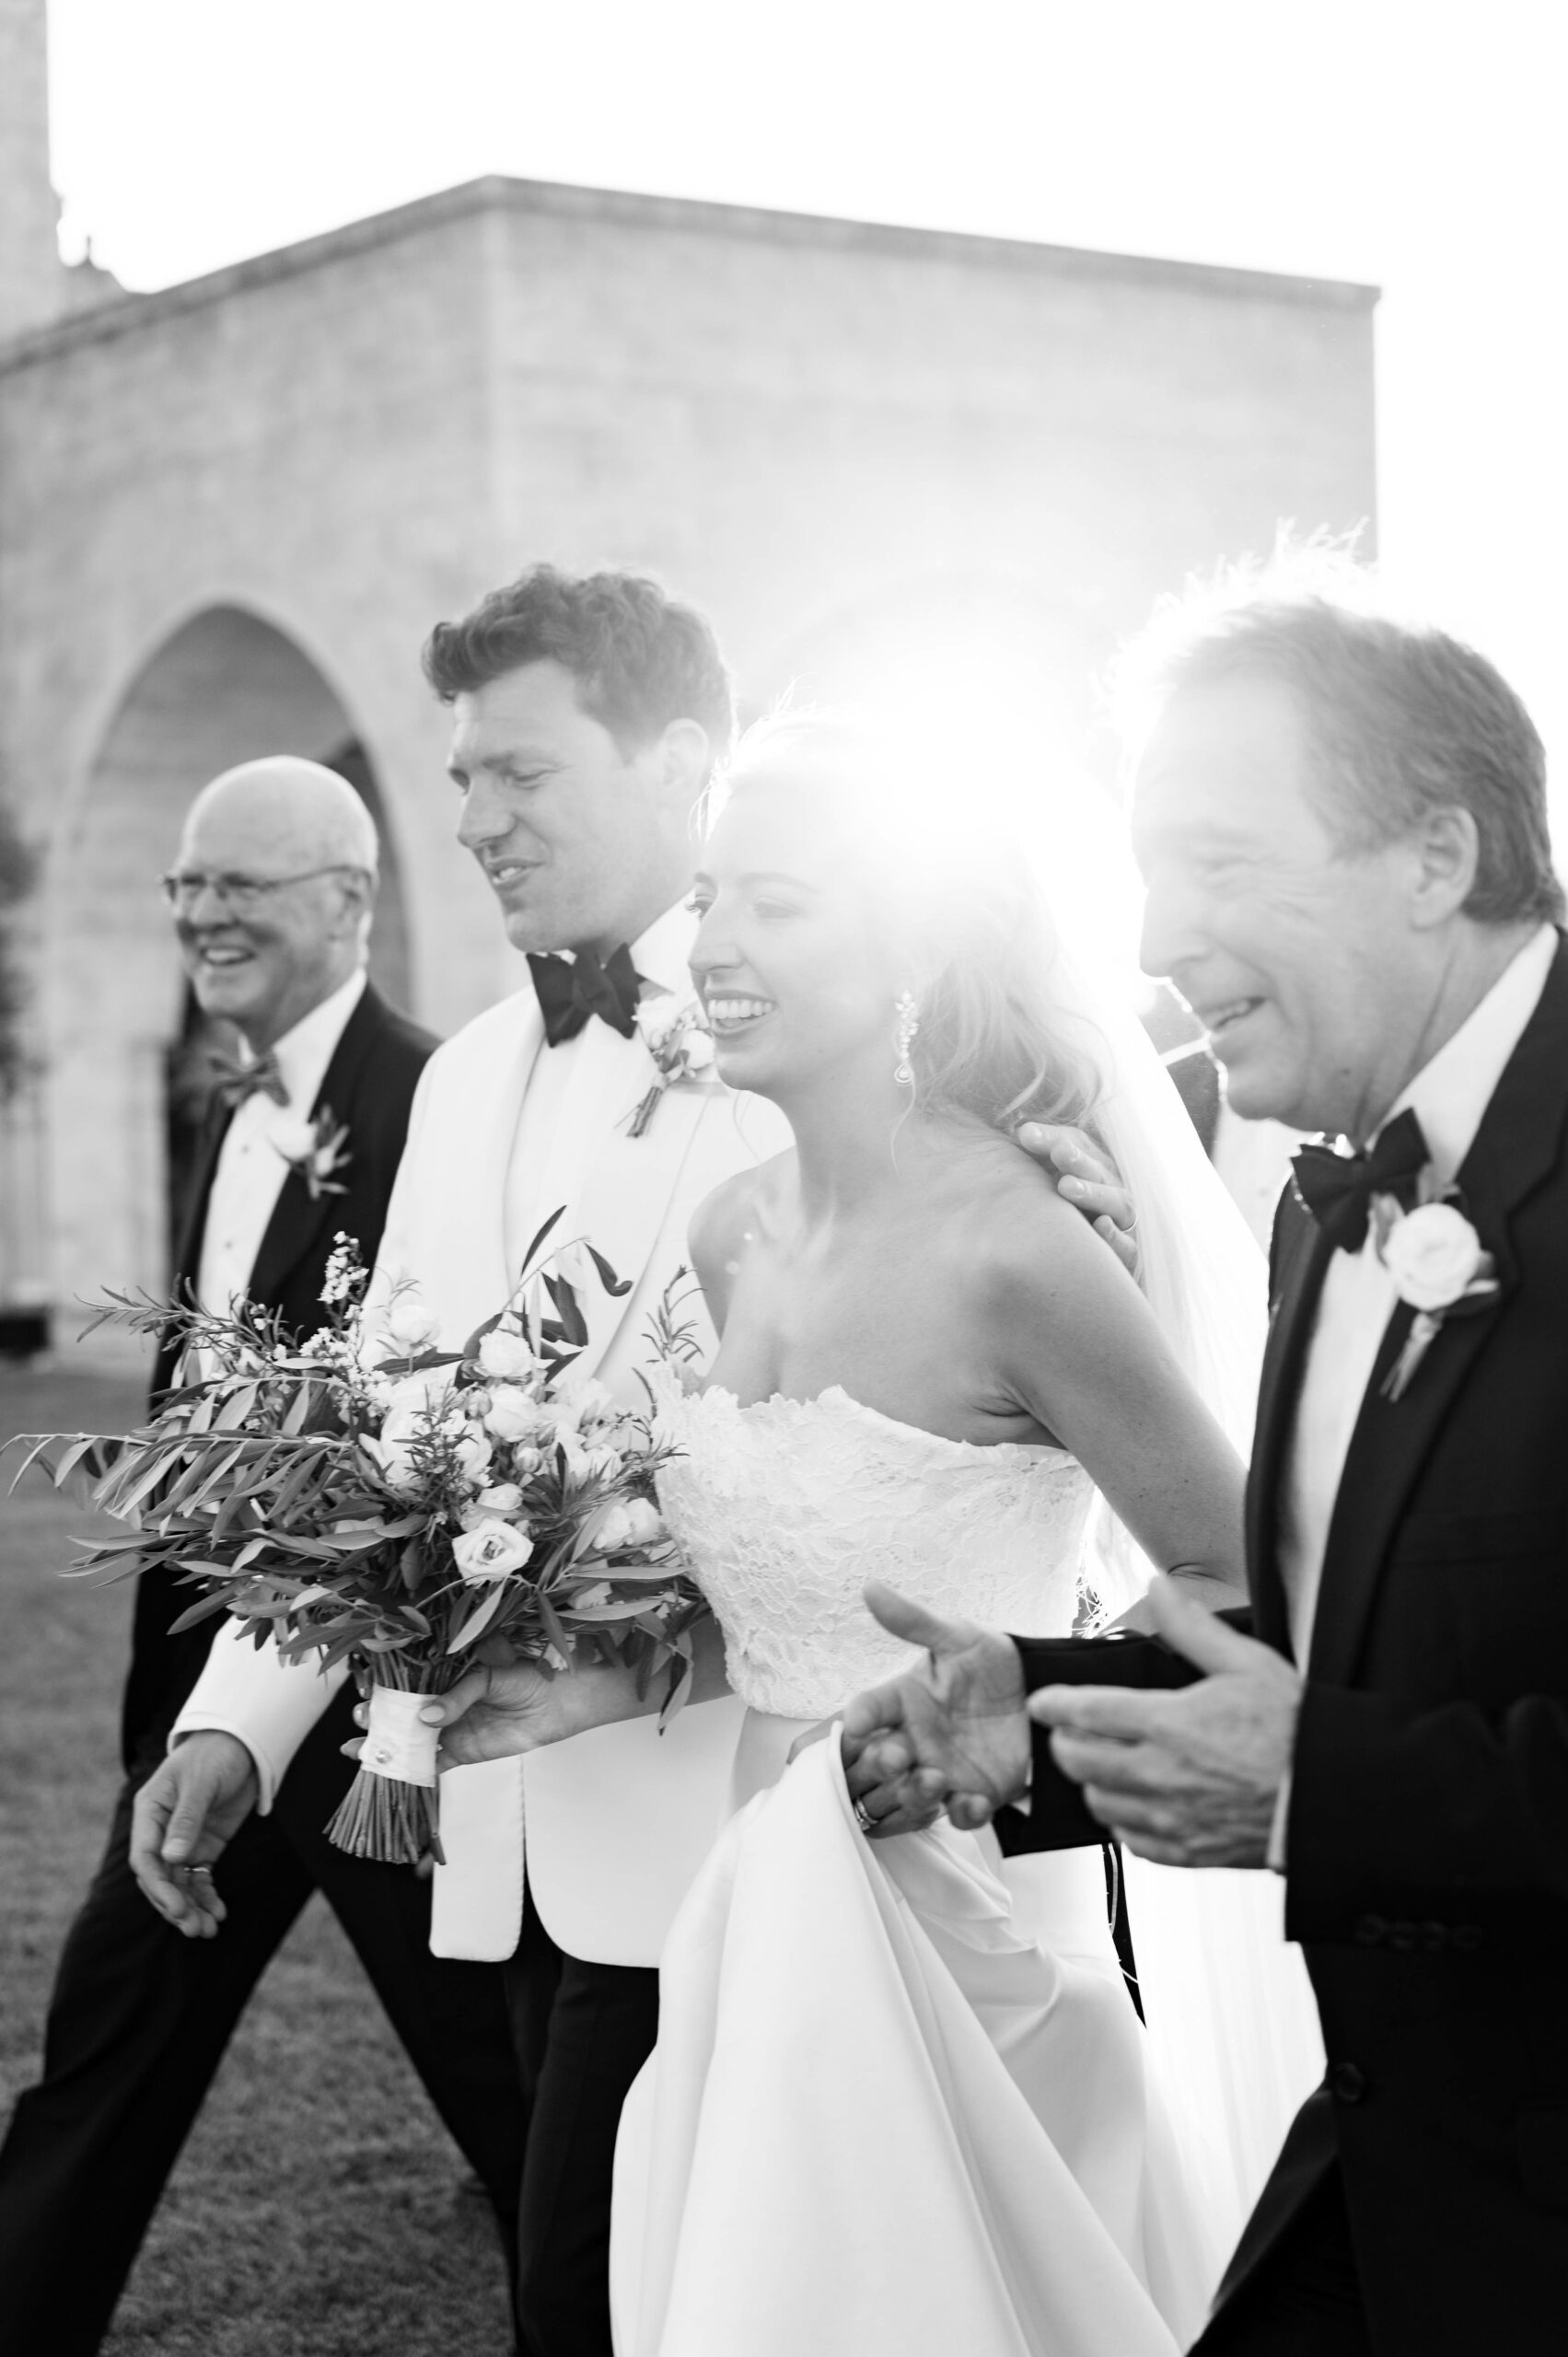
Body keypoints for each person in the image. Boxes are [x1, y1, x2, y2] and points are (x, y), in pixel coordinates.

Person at [427, 713, 1325, 2357]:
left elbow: (1232, 1583)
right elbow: (778, 1582)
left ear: (909, 940)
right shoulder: (730, 1231)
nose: (720, 946)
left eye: (782, 901)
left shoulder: (1015, 1246)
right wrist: (599, 1689)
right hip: (753, 1929)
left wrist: (1006, 1712)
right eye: (713, 898)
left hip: (968, 1944)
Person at [842, 564, 1568, 2353]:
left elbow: (1340, 1739)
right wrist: (1047, 1712)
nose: (1161, 934)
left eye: (1225, 860)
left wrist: (1329, 1790)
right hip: (1410, 2142)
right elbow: (1340, 1642)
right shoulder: (1333, 1212)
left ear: (1437, 856)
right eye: (1152, 868)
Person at [0, 758, 523, 2357]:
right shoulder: (235, 1105)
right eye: (183, 885)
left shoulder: (436, 1102)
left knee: (508, 2089)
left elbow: (422, 1426)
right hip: (208, 1710)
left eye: (239, 883)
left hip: (376, 1713)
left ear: (350, 901)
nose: (199, 913)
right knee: (105, 2049)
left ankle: (608, 2277)